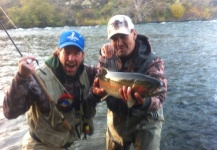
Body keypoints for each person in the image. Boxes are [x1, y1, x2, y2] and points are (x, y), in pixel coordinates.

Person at [3, 30, 109, 149]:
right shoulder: (37, 79)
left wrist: (106, 55)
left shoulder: (89, 73)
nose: (71, 58)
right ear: (58, 52)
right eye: (66, 52)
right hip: (39, 145)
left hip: (66, 145)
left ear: (82, 55)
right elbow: (9, 112)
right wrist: (21, 77)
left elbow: (109, 77)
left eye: (76, 53)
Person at [95, 15, 167, 150]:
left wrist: (144, 102)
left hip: (146, 119)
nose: (119, 42)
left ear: (134, 34)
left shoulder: (153, 61)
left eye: (123, 36)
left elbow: (160, 96)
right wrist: (96, 93)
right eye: (115, 39)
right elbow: (98, 79)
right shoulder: (107, 56)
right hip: (117, 117)